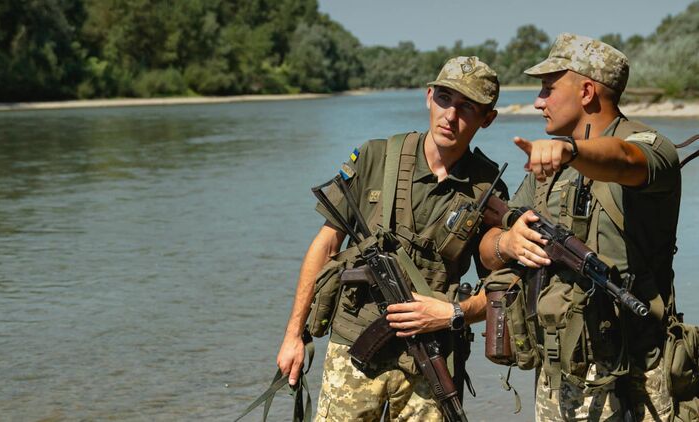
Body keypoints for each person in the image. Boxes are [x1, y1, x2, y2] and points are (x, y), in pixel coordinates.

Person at [276, 56, 508, 421]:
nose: (450, 116)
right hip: (354, 348)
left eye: (467, 107)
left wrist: (452, 314)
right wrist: (294, 336)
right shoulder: (376, 157)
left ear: (487, 119)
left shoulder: (488, 189)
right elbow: (326, 246)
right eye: (445, 98)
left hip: (431, 357)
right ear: (428, 96)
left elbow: (501, 287)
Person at [480, 33, 681, 421]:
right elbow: (489, 247)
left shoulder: (650, 147)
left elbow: (623, 160)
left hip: (638, 375)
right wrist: (508, 242)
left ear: (587, 91)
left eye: (548, 88)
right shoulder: (549, 168)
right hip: (559, 374)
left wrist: (571, 151)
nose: (538, 101)